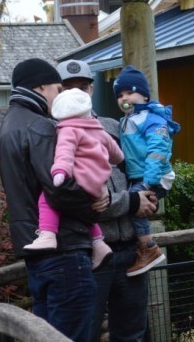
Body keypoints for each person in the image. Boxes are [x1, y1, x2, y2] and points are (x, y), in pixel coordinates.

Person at [0, 58, 102, 341]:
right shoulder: (40, 126)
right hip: (64, 250)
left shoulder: (8, 125)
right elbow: (58, 186)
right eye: (57, 88)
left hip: (35, 253)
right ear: (40, 86)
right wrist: (94, 208)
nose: (61, 96)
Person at [56, 59, 159, 342]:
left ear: (91, 89)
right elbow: (75, 199)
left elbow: (136, 172)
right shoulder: (57, 133)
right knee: (85, 333)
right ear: (59, 91)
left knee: (132, 333)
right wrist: (131, 202)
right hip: (91, 255)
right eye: (68, 87)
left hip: (131, 252)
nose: (76, 92)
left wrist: (150, 198)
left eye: (82, 87)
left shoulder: (114, 126)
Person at [23, 88, 124, 272]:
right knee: (83, 213)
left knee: (47, 199)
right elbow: (117, 154)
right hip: (100, 182)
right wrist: (117, 161)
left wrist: (60, 171)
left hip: (82, 179)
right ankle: (99, 244)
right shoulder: (99, 129)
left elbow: (65, 153)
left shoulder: (69, 130)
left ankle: (47, 235)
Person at [113, 65, 181, 276]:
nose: (125, 97)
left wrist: (150, 181)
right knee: (134, 203)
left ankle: (149, 248)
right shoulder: (126, 121)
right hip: (138, 176)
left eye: (130, 92)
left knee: (134, 200)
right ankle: (144, 246)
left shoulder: (152, 119)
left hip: (156, 175)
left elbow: (158, 150)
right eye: (120, 95)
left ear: (143, 95)